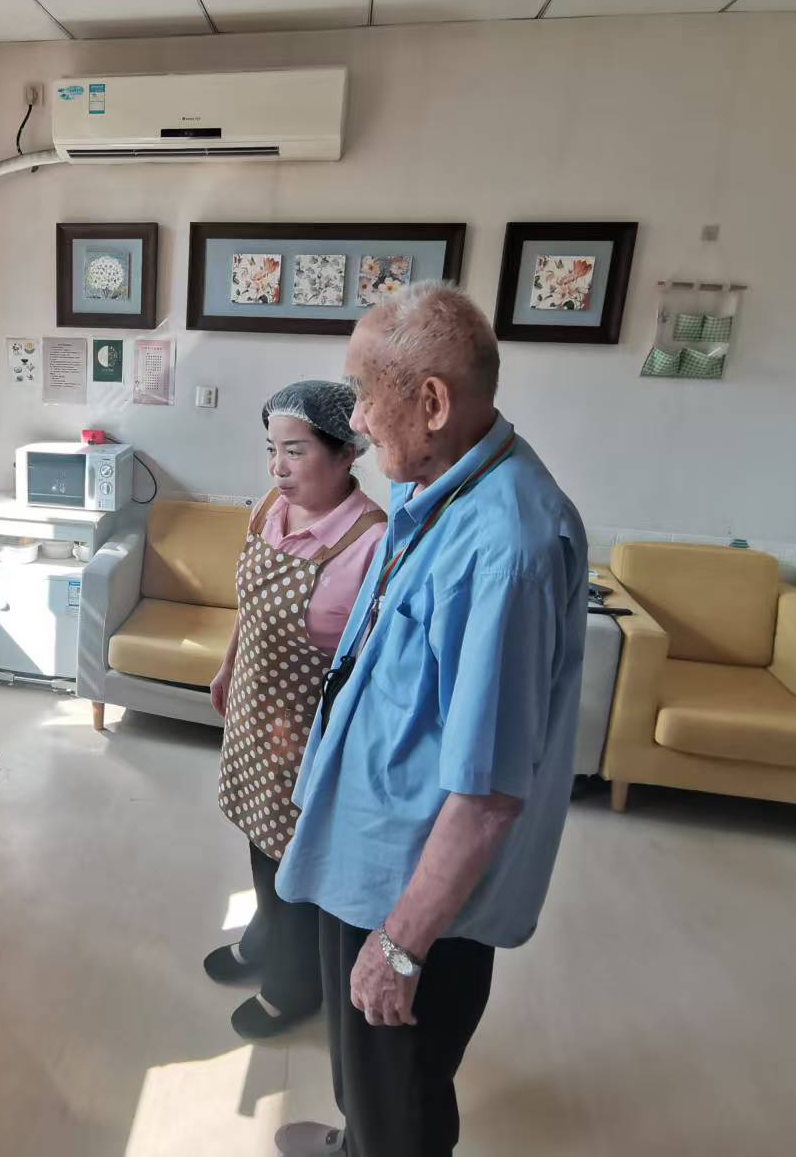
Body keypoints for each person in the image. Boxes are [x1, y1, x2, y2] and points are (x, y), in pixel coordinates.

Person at [273, 283, 587, 1157]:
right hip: (368, 854)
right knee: (366, 1077)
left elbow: (488, 791)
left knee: (401, 1098)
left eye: (363, 394)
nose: (356, 420)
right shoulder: (442, 490)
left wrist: (402, 945)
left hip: (411, 894)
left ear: (433, 402)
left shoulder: (507, 548)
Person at [206, 381, 387, 1040]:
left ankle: (296, 983)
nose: (277, 468)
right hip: (254, 706)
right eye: (271, 450)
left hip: (311, 728)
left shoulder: (371, 541)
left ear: (346, 453)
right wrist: (229, 665)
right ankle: (264, 940)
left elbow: (374, 661)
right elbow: (251, 605)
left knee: (293, 859)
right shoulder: (269, 509)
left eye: (295, 451)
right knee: (258, 837)